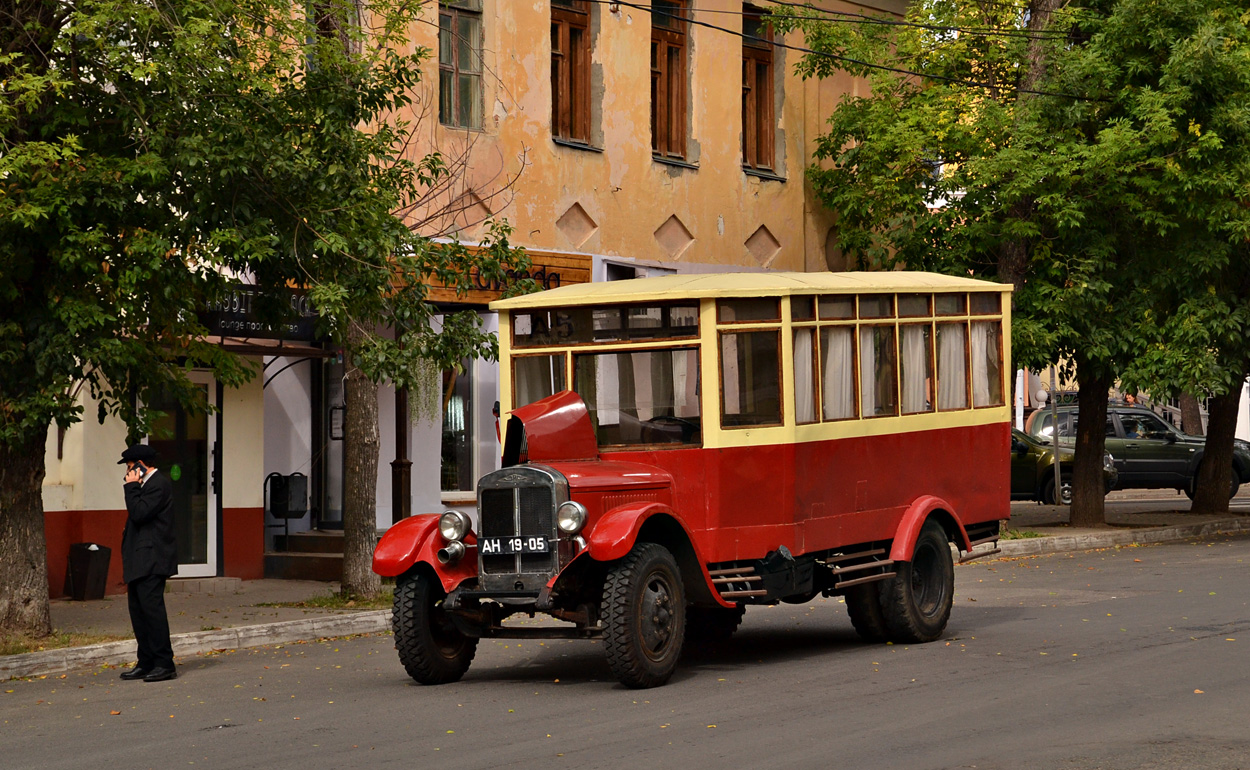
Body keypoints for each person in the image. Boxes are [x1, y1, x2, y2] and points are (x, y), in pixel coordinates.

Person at [117, 444, 178, 682]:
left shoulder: (158, 484)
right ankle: (146, 661)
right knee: (139, 612)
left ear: (142, 465)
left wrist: (131, 487)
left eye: (130, 467)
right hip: (140, 559)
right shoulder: (146, 485)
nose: (127, 473)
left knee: (152, 612)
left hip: (152, 558)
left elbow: (140, 513)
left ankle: (164, 663)